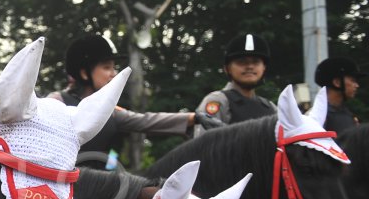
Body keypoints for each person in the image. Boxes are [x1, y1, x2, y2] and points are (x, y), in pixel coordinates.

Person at [48, 34, 219, 169]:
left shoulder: (111, 111)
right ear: (84, 72)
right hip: (59, 190)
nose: (113, 74)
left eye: (114, 68)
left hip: (100, 192)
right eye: (107, 67)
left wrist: (193, 118)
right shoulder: (56, 102)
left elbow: (145, 120)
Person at [195, 33, 276, 131]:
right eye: (242, 61)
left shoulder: (271, 107)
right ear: (227, 68)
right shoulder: (218, 101)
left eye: (256, 61)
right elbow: (203, 144)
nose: (250, 66)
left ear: (264, 68)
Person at [314, 56, 361, 134]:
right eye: (353, 80)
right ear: (337, 82)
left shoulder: (348, 115)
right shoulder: (318, 117)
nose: (356, 85)